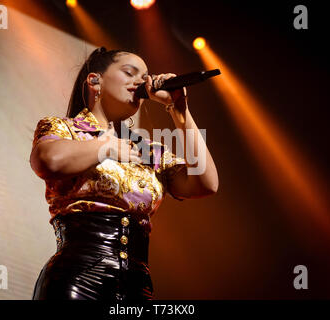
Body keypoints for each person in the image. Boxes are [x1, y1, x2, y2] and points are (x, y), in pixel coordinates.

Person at [30, 47, 219, 300]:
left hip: (136, 286)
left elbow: (206, 183)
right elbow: (47, 160)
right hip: (77, 279)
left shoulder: (148, 150)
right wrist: (104, 148)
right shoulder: (64, 129)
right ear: (94, 81)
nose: (142, 82)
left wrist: (179, 109)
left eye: (145, 77)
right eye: (130, 73)